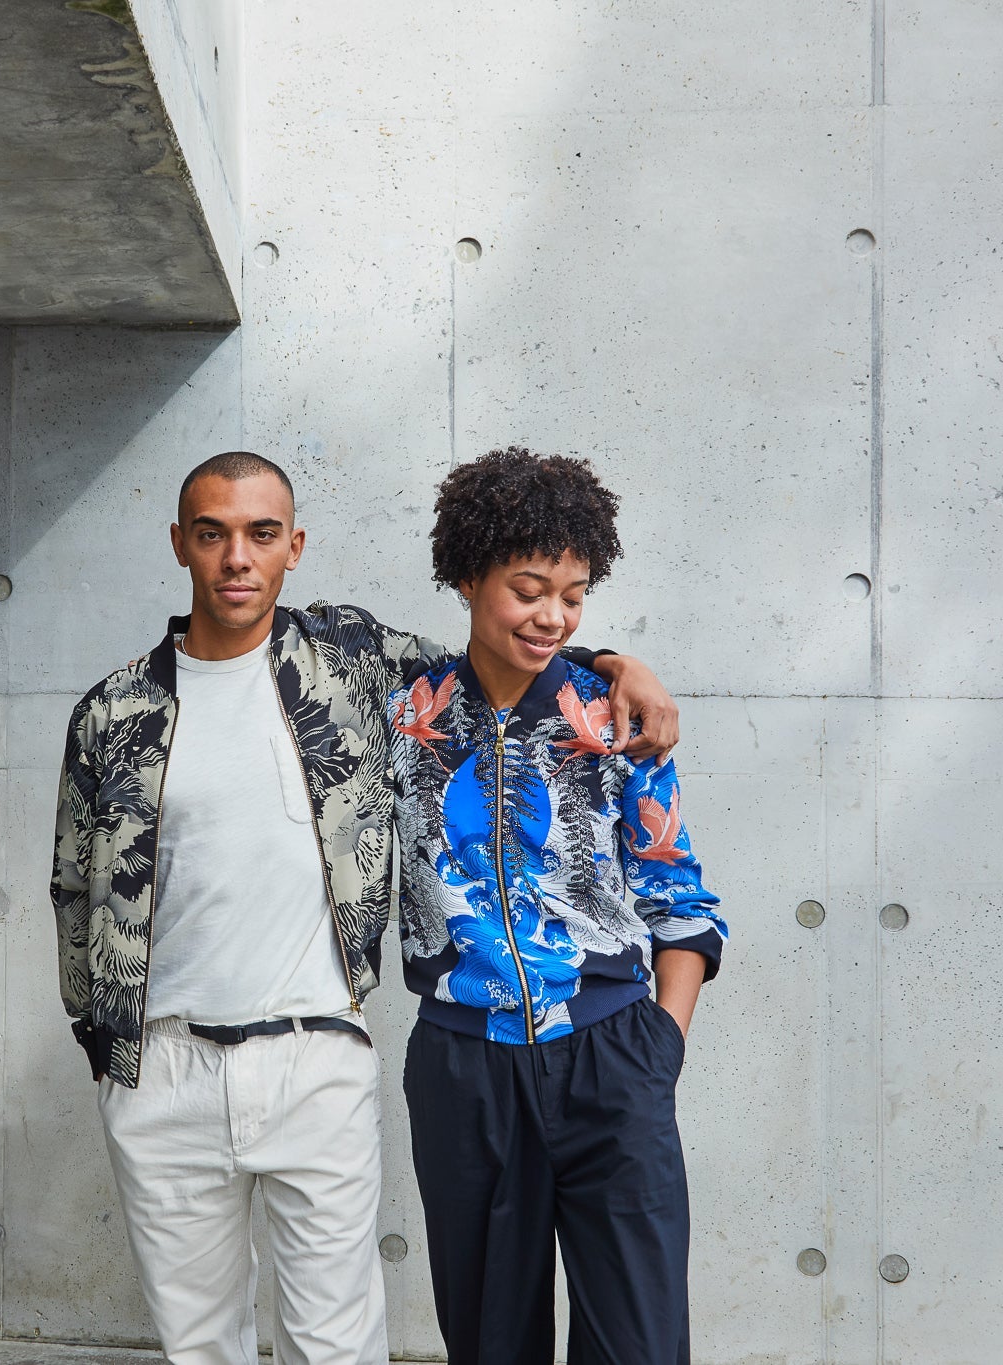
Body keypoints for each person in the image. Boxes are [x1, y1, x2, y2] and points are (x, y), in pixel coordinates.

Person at [50, 451, 683, 1365]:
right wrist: (106, 1044)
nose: (238, 556)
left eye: (262, 533)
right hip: (165, 1064)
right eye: (214, 533)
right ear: (181, 545)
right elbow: (73, 887)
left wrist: (617, 663)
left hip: (318, 1054)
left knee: (337, 1343)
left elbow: (501, 657)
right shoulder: (114, 711)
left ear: (293, 546)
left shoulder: (349, 663)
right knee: (198, 1344)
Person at [388, 446, 725, 1365]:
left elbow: (678, 895)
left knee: (640, 1346)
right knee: (492, 1344)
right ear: (467, 576)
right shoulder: (402, 715)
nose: (553, 615)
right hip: (464, 1069)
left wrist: (663, 1044)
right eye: (529, 588)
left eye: (573, 594)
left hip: (611, 1057)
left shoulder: (614, 716)